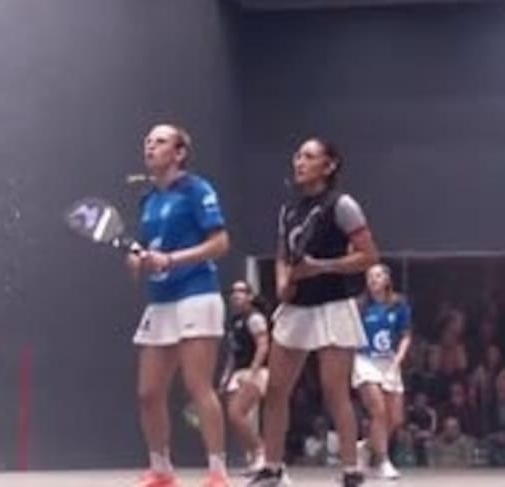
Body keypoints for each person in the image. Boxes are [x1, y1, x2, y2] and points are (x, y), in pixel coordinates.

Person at [248, 137, 379, 487]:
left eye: (308, 156)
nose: (299, 162)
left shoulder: (343, 205)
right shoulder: (288, 210)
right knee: (276, 390)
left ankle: (351, 471)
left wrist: (321, 267)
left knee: (335, 391)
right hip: (296, 308)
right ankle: (272, 468)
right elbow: (282, 254)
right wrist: (282, 282)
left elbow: (369, 256)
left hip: (333, 307)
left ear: (329, 165)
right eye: (297, 156)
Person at [128, 123, 231, 487]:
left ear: (179, 152)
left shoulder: (197, 190)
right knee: (148, 392)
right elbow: (145, 248)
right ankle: (161, 470)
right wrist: (138, 260)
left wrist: (172, 260)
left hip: (197, 294)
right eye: (147, 141)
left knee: (197, 386)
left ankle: (218, 472)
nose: (150, 146)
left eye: (159, 141)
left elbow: (220, 243)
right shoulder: (148, 199)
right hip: (161, 302)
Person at [352, 263, 412, 479]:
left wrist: (398, 359)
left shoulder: (398, 304)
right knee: (378, 411)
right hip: (365, 361)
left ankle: (367, 447)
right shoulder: (360, 306)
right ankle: (382, 461)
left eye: (378, 276)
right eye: (370, 276)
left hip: (389, 362)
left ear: (387, 279)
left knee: (395, 418)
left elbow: (406, 335)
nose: (373, 280)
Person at [221, 280, 270, 474]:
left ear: (250, 296)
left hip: (256, 372)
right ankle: (254, 457)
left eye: (241, 291)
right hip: (238, 372)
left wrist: (252, 372)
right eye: (234, 291)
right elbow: (233, 353)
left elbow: (263, 345)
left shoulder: (255, 318)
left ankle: (261, 452)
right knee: (234, 416)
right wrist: (226, 376)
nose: (236, 295)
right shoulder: (234, 321)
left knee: (237, 412)